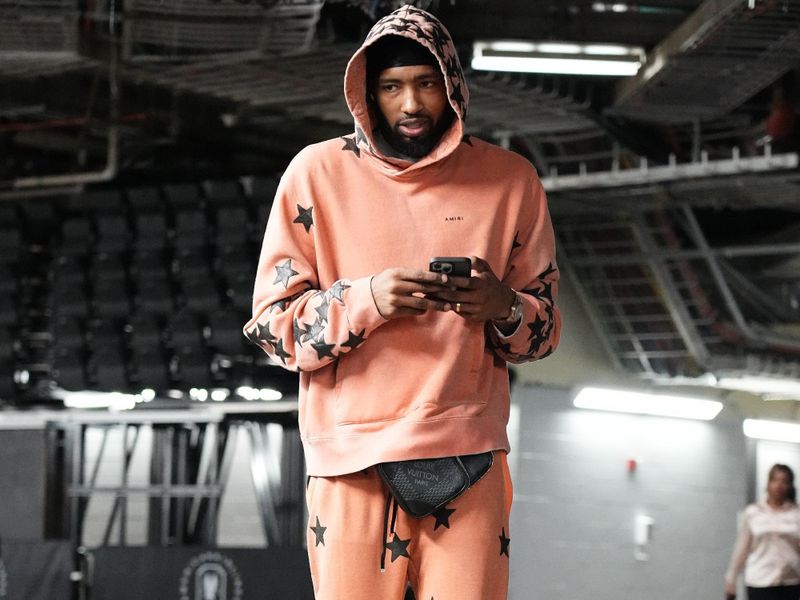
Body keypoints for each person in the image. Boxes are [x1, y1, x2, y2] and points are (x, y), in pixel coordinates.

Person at [244, 5, 561, 599]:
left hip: (470, 454)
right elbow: (272, 329)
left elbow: (544, 334)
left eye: (426, 84)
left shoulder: (511, 180)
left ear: (453, 85)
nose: (410, 105)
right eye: (391, 87)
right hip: (349, 461)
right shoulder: (314, 173)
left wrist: (502, 306)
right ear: (366, 91)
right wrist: (368, 299)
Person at [724, 464, 800, 600]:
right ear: (769, 483)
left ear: (790, 486)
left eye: (784, 481)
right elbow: (742, 548)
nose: (779, 485)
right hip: (760, 579)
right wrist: (731, 578)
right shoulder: (752, 512)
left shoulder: (796, 513)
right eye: (775, 480)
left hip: (791, 580)